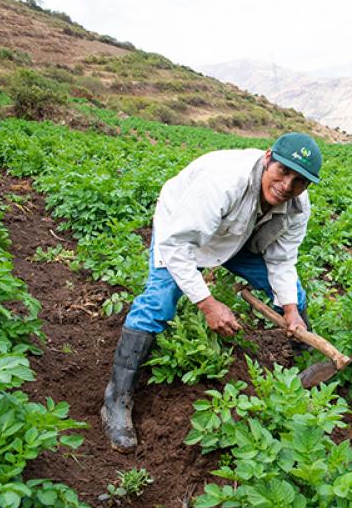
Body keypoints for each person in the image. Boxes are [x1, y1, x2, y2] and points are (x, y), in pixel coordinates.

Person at [101, 132, 322, 453]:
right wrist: (207, 303)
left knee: (296, 297)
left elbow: (283, 258)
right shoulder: (221, 182)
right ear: (267, 158)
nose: (287, 185)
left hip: (241, 235)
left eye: (299, 181)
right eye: (283, 171)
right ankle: (115, 402)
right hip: (185, 229)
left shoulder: (298, 208)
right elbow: (176, 246)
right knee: (158, 303)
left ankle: (306, 365)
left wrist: (289, 309)